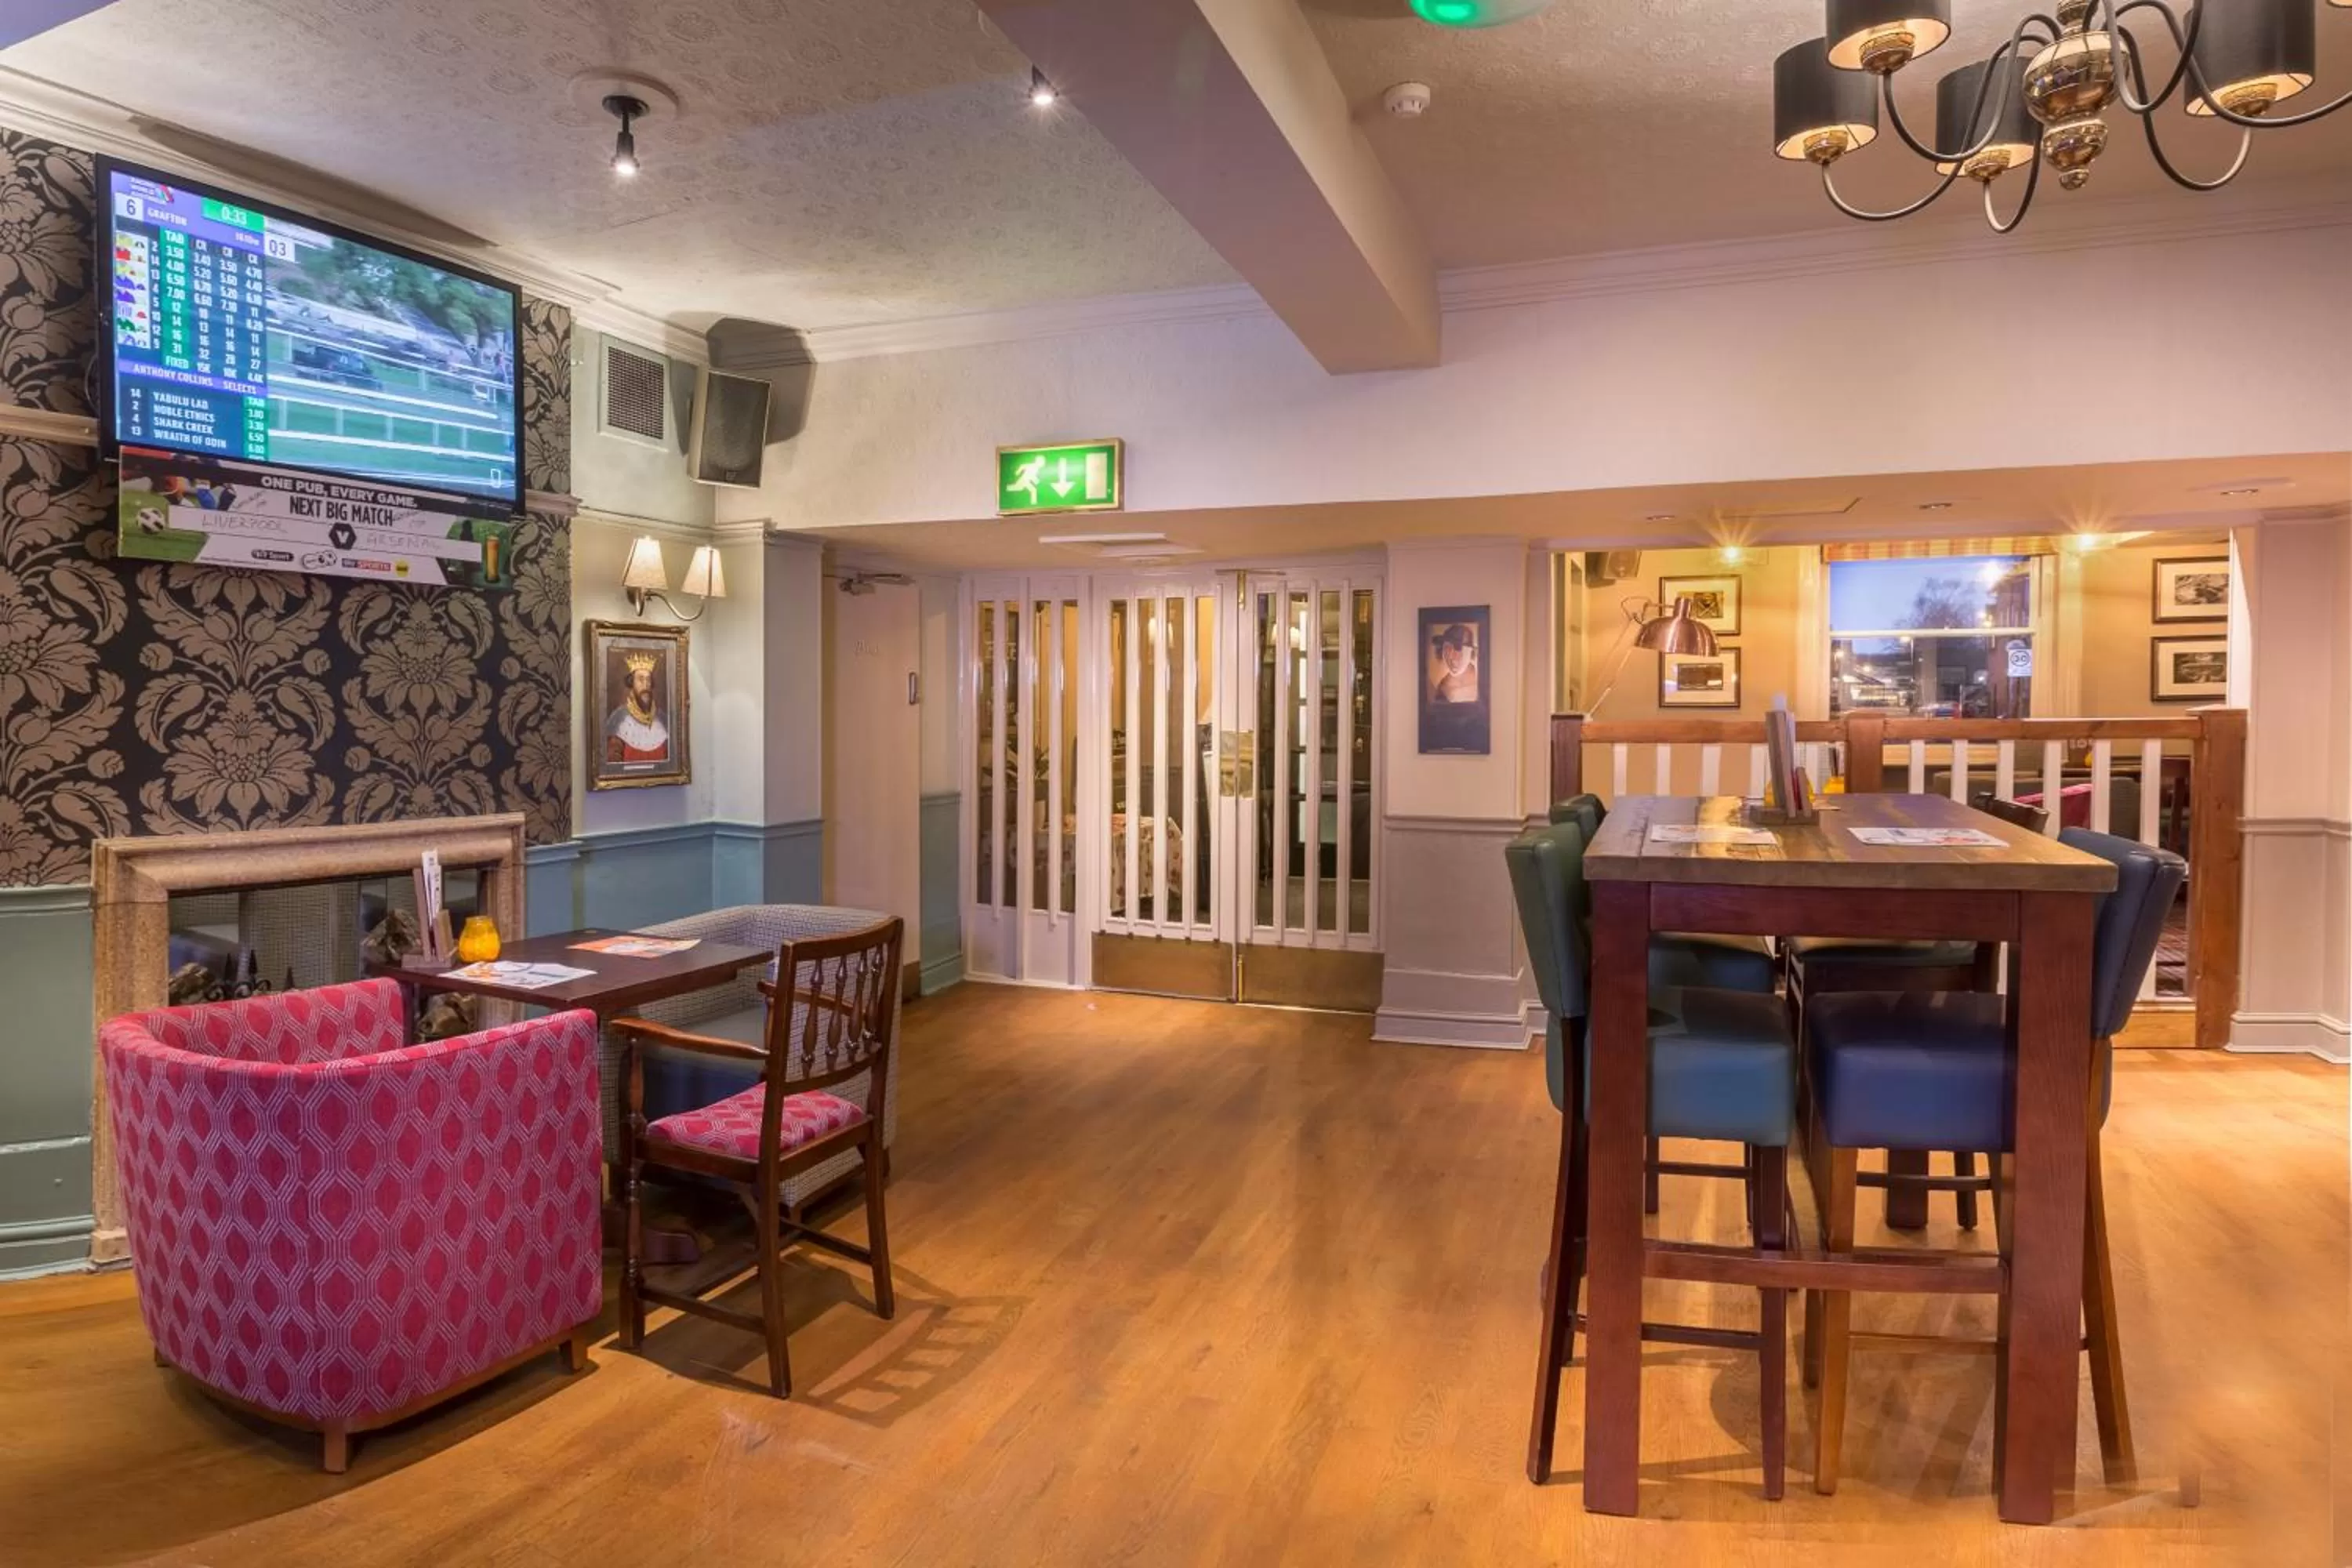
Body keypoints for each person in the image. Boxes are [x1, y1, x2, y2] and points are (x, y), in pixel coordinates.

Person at [605, 651, 670, 764]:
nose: (645, 685)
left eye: (648, 680)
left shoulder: (662, 718)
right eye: (640, 679)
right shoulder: (619, 718)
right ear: (632, 683)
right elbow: (613, 765)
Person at [1431, 623, 1479, 705]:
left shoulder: (1482, 678)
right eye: (1447, 648)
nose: (1452, 656)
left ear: (1470, 652)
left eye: (1458, 648)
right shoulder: (1443, 689)